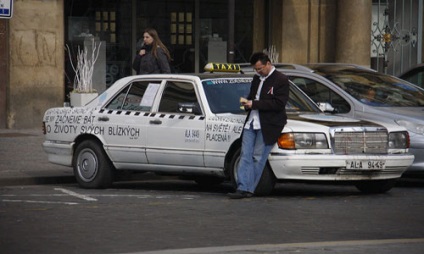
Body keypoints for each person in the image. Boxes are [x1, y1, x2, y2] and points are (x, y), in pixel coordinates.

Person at [228, 52, 290, 199]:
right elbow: (253, 96)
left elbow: (279, 103)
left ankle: (249, 189)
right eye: (256, 69)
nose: (258, 72)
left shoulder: (281, 79)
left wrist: (254, 104)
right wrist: (247, 103)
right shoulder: (257, 79)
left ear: (268, 63)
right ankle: (242, 187)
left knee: (258, 156)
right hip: (252, 121)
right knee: (245, 154)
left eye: (260, 68)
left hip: (269, 124)